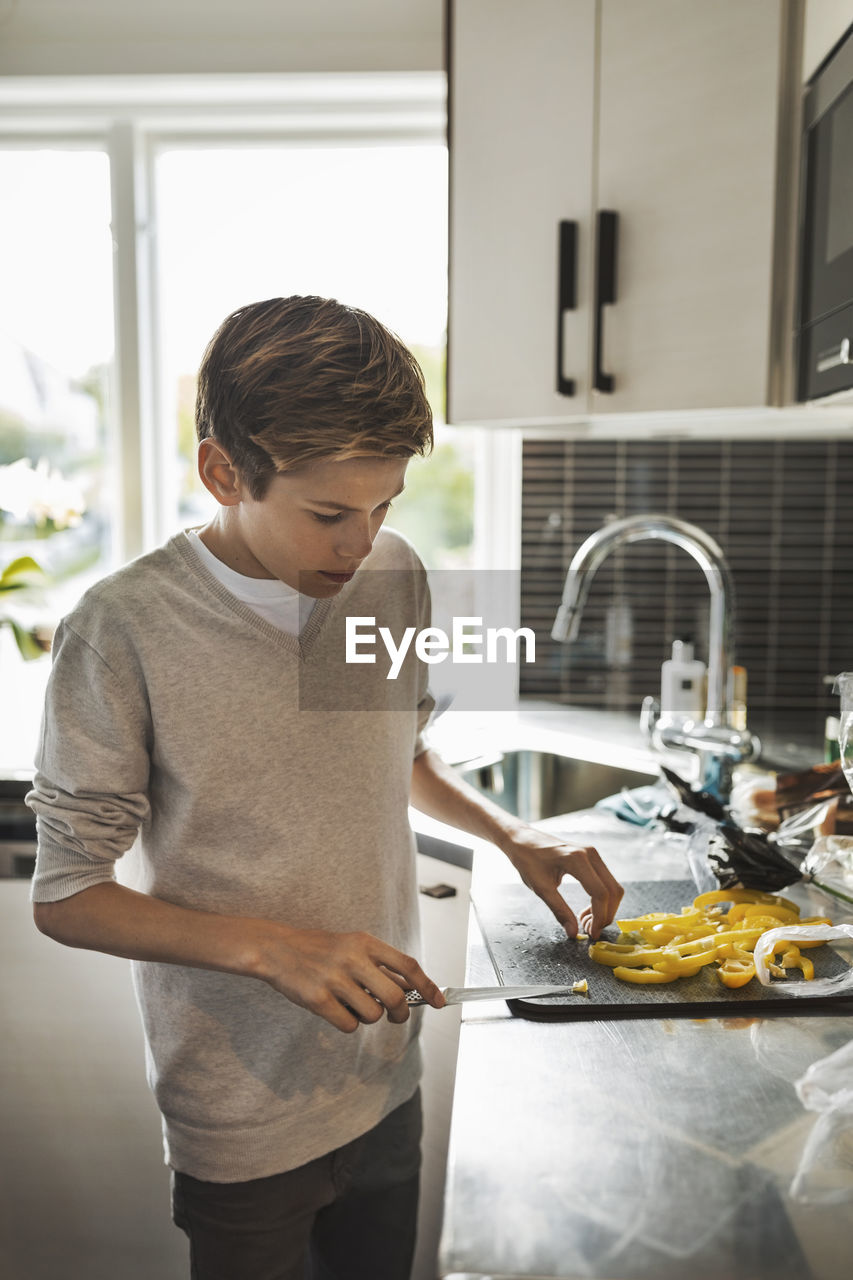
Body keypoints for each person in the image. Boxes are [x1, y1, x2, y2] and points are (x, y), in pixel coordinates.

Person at [26, 295, 623, 1280]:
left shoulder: (389, 575)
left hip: (384, 1072)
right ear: (224, 471)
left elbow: (393, 753)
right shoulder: (125, 626)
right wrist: (276, 948)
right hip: (242, 1105)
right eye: (329, 513)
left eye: (385, 504)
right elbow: (67, 891)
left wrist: (513, 836)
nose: (361, 542)